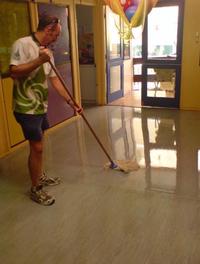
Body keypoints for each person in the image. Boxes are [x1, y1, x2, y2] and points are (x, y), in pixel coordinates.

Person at [9, 14, 82, 206]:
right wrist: (39, 61)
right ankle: (35, 189)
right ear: (48, 29)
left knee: (40, 140)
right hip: (26, 107)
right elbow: (13, 72)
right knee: (38, 147)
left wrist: (71, 101)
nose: (56, 38)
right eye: (56, 35)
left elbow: (54, 79)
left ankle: (39, 176)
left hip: (40, 106)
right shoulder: (22, 44)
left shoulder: (47, 51)